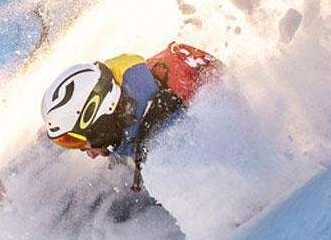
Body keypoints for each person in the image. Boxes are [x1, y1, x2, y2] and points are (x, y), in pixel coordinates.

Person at [40, 42, 222, 192]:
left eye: (77, 141)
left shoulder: (170, 144)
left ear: (100, 124)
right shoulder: (135, 95)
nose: (88, 153)